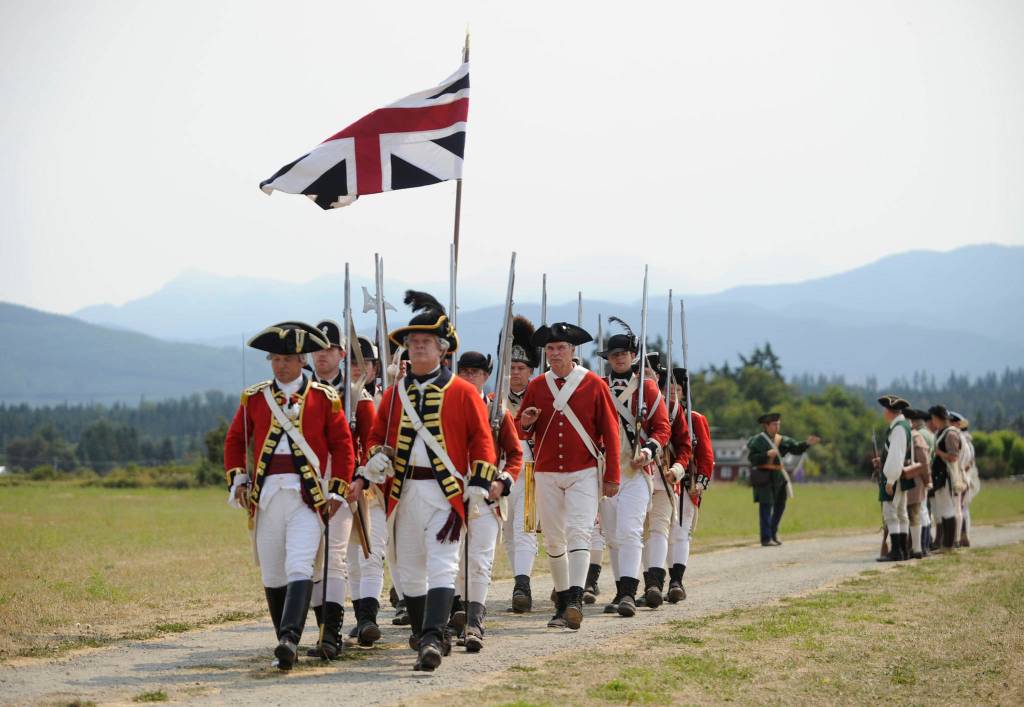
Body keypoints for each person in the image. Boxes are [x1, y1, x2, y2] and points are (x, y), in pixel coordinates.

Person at [360, 291, 497, 672]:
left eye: (425, 342)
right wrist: (375, 455)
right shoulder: (394, 395)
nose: (418, 347)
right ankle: (425, 633)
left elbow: (482, 441)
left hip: (446, 493)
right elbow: (376, 436)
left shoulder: (463, 392)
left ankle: (434, 637)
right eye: (413, 342)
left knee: (443, 564)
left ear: (442, 349)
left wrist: (480, 480)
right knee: (408, 570)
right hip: (403, 493)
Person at [223, 322, 356, 669]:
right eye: (276, 359)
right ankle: (284, 640)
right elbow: (235, 440)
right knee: (272, 571)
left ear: (302, 361)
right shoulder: (254, 398)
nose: (281, 365)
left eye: (287, 359)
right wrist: (238, 480)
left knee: (300, 563)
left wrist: (337, 489)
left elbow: (343, 446)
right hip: (266, 496)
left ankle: (289, 639)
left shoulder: (324, 398)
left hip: (307, 497)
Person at [516, 322, 620, 630]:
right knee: (553, 538)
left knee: (579, 532)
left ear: (572, 350)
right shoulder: (537, 386)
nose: (555, 353)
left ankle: (575, 599)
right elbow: (521, 430)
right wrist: (526, 422)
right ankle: (562, 602)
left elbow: (610, 432)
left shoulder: (593, 384)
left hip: (583, 471)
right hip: (546, 471)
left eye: (561, 348)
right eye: (550, 348)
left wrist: (612, 475)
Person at [595, 327, 671, 617]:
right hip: (606, 471)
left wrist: (649, 451)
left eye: (624, 353)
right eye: (614, 354)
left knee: (630, 531)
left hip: (636, 471)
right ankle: (620, 589)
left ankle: (628, 592)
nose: (619, 358)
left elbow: (662, 428)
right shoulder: (599, 387)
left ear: (633, 356)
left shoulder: (647, 388)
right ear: (608, 358)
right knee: (612, 535)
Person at [453, 350, 523, 652]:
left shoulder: (498, 412)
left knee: (480, 561)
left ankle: (475, 622)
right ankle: (454, 612)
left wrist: (503, 482)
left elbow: (515, 455)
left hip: (487, 496)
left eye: (476, 373)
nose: (470, 377)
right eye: (465, 372)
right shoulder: (446, 406)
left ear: (485, 376)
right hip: (451, 492)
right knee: (454, 561)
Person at [500, 316, 541, 613]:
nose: (515, 373)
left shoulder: (543, 398)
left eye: (521, 368)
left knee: (524, 528)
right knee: (508, 532)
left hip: (530, 471)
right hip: (502, 470)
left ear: (531, 370)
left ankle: (522, 584)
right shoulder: (494, 400)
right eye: (511, 367)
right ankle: (519, 582)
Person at [664, 367, 713, 602]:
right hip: (662, 480)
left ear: (684, 393)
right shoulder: (658, 415)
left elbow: (706, 455)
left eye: (678, 389)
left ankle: (677, 581)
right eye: (669, 389)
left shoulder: (694, 419)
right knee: (661, 534)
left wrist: (701, 481)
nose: (673, 393)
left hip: (686, 482)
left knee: (680, 532)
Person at [746, 413, 820, 547]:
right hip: (764, 476)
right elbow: (752, 459)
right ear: (766, 425)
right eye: (774, 424)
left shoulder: (783, 439)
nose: (777, 426)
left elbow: (796, 448)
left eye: (778, 424)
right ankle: (766, 538)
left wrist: (807, 443)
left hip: (779, 477)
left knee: (780, 505)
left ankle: (773, 534)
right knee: (766, 506)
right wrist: (766, 454)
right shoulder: (758, 440)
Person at [872, 395, 912, 562]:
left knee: (891, 513)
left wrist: (890, 480)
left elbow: (896, 456)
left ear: (891, 411)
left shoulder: (898, 429)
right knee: (901, 513)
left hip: (894, 476)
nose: (884, 413)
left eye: (885, 410)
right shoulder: (902, 426)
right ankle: (902, 551)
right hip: (898, 475)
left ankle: (896, 551)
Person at [928, 405, 964, 551]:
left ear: (938, 418)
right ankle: (946, 544)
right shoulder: (940, 433)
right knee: (943, 510)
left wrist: (939, 453)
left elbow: (954, 457)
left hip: (947, 477)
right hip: (939, 476)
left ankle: (949, 545)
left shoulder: (950, 434)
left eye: (933, 418)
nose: (932, 421)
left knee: (948, 510)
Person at [901, 408, 933, 559]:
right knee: (913, 513)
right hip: (909, 479)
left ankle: (918, 548)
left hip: (915, 479)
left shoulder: (915, 436)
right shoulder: (908, 435)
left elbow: (924, 462)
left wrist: (927, 480)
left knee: (915, 513)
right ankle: (916, 547)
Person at [950, 412, 979, 547]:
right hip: (966, 477)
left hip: (961, 476)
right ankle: (964, 535)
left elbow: (967, 463)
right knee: (963, 509)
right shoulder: (968, 442)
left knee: (958, 509)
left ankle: (959, 537)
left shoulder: (961, 440)